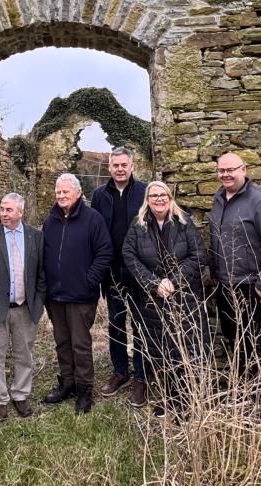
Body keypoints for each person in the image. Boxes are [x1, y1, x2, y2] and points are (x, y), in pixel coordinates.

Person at [122, 182, 210, 418]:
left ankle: (188, 400)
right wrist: (153, 284)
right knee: (162, 350)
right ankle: (170, 397)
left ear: (170, 198)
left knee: (187, 349)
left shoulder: (184, 222)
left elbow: (199, 255)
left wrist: (173, 281)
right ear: (147, 200)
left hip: (184, 298)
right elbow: (129, 256)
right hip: (154, 300)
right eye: (153, 196)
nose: (158, 199)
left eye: (162, 195)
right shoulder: (138, 224)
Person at [208, 152, 261, 379]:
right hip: (225, 284)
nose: (225, 174)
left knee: (255, 341)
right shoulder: (219, 198)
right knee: (234, 337)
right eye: (221, 170)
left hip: (251, 286)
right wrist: (214, 272)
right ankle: (241, 388)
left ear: (244, 169)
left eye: (230, 170)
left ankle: (258, 397)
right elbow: (215, 238)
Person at [42, 174, 113, 414]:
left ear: (78, 193)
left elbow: (105, 253)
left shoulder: (93, 219)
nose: (61, 196)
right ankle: (68, 383)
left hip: (81, 296)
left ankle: (84, 390)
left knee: (80, 345)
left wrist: (89, 280)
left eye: (66, 192)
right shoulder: (50, 219)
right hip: (55, 295)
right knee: (62, 342)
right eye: (58, 192)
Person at [0, 193, 46, 420]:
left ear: (21, 212)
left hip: (25, 308)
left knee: (25, 354)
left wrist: (39, 301)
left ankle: (21, 396)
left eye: (9, 210)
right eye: (2, 209)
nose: (3, 213)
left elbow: (42, 273)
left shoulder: (36, 236)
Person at [90, 147, 149, 407]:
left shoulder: (145, 191)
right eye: (115, 165)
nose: (120, 169)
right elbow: (94, 232)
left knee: (141, 324)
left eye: (124, 165)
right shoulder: (99, 195)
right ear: (109, 168)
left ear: (132, 166)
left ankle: (141, 377)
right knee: (115, 323)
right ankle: (120, 372)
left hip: (139, 269)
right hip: (111, 270)